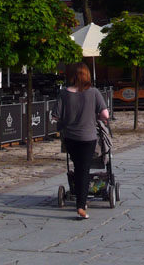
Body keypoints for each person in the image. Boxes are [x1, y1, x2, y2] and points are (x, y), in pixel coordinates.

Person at [55, 62, 109, 220]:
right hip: (88, 136)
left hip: (70, 137)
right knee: (84, 169)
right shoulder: (94, 92)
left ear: (71, 75)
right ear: (87, 75)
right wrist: (96, 117)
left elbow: (55, 116)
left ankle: (80, 199)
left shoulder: (64, 93)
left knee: (79, 167)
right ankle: (81, 205)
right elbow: (105, 114)